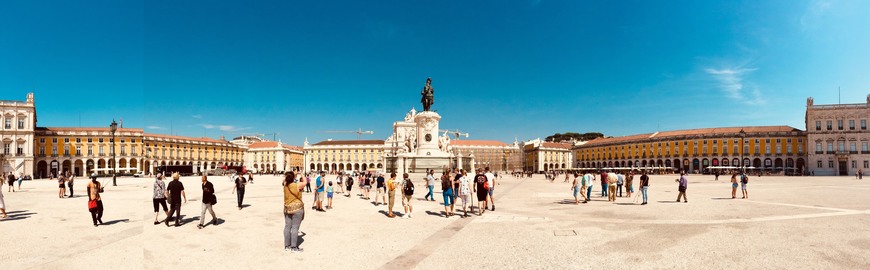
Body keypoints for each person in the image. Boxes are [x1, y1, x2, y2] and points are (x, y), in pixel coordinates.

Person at [283, 172, 306, 253]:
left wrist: (293, 174)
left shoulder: (285, 184)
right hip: (297, 209)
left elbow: (286, 179)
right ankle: (294, 247)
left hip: (287, 208)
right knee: (295, 228)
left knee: (287, 227)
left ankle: (287, 246)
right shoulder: (297, 185)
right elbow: (305, 182)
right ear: (293, 178)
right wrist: (301, 174)